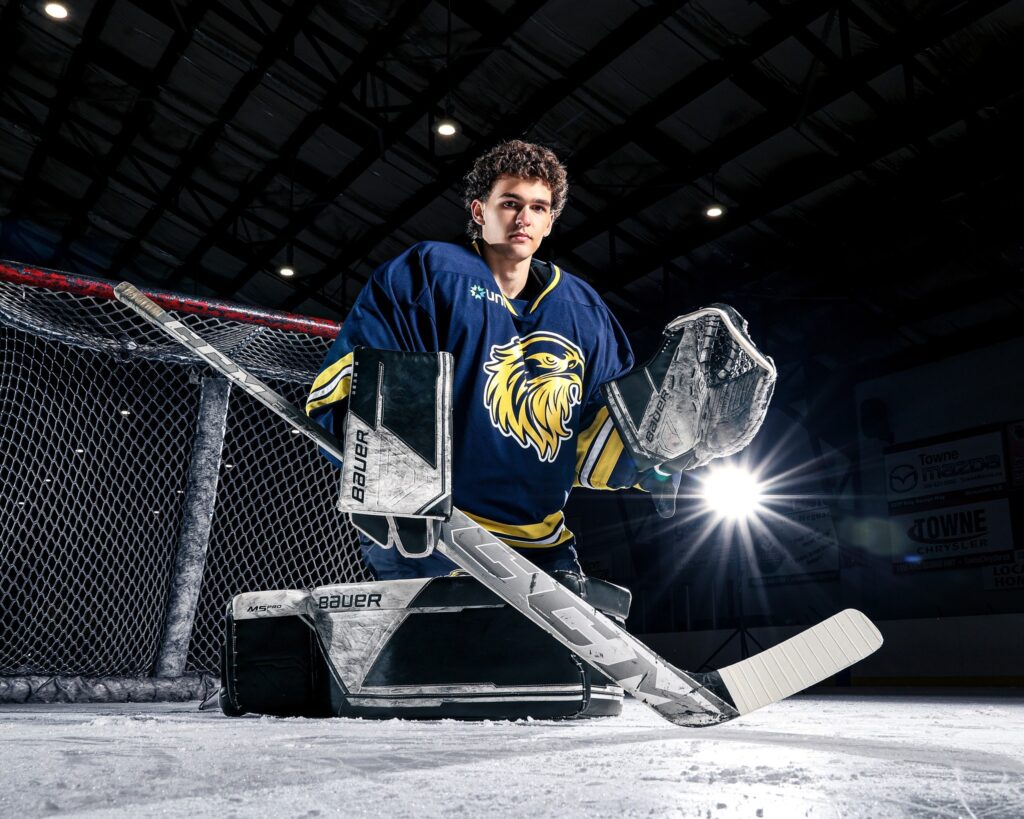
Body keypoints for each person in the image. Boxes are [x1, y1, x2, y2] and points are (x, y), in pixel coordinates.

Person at [306, 140, 644, 579]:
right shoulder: (427, 274)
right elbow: (349, 385)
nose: (524, 218)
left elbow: (594, 440)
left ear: (551, 221)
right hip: (431, 532)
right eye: (510, 203)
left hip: (541, 543)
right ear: (479, 211)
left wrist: (659, 454)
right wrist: (390, 485)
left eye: (538, 208)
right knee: (440, 649)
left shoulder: (586, 310)